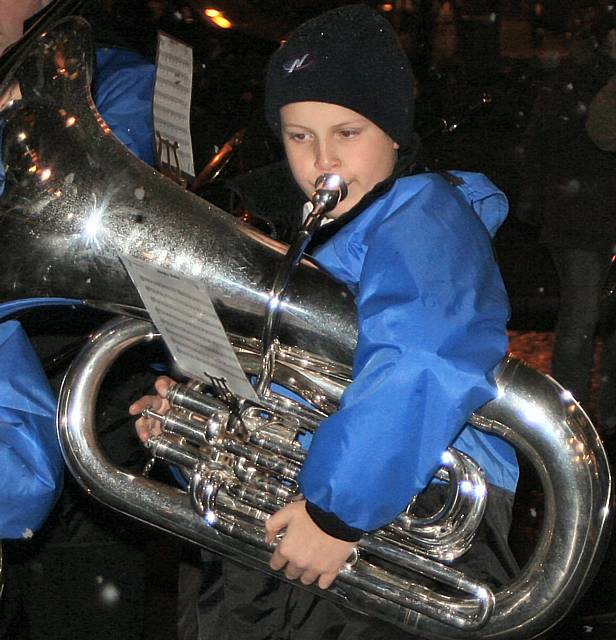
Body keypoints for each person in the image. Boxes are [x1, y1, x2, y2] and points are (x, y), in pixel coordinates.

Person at [130, 5, 518, 639]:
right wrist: (196, 437)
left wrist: (339, 512)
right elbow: (280, 409)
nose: (323, 160)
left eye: (348, 132)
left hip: (396, 525)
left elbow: (424, 358)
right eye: (299, 135)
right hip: (310, 531)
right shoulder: (310, 244)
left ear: (394, 134)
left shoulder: (423, 214)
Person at [0, 2, 161, 638]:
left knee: (82, 607)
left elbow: (88, 227)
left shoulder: (114, 82)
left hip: (90, 391)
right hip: (14, 376)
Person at [517, 11, 616, 437]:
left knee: (599, 318)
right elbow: (546, 141)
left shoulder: (580, 81)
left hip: (588, 211)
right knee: (582, 316)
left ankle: (595, 419)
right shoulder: (579, 82)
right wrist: (540, 195)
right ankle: (571, 421)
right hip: (580, 217)